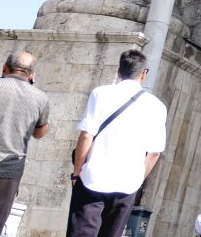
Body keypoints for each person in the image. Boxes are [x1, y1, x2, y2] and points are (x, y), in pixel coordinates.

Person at [67, 49, 167, 237]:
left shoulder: (101, 94)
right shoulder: (157, 106)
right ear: (143, 74)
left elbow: (86, 135)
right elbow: (154, 152)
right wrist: (138, 178)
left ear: (118, 71)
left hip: (93, 177)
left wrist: (77, 172)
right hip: (127, 183)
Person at [0, 51, 49, 236]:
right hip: (9, 169)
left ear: (4, 68)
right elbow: (39, 133)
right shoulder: (40, 98)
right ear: (31, 75)